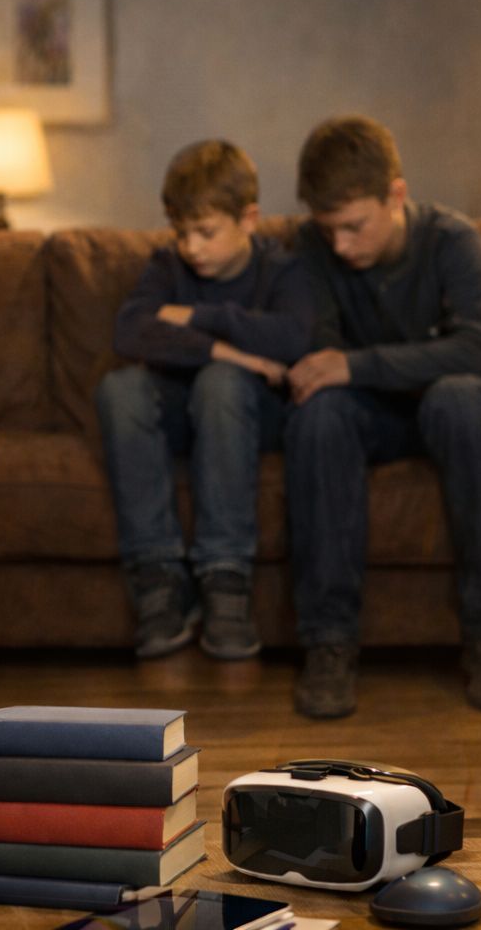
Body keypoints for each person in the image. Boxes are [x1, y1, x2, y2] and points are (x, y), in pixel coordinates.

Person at [283, 116, 481, 719]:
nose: (340, 245)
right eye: (329, 230)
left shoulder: (452, 240)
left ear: (396, 195)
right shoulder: (311, 247)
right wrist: (351, 370)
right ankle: (328, 644)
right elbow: (320, 355)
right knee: (319, 414)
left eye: (354, 226)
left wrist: (359, 365)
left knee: (456, 396)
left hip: (472, 409)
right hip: (378, 415)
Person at [95, 140, 313, 662]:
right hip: (178, 415)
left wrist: (199, 318)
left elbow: (292, 338)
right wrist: (233, 351)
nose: (191, 247)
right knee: (120, 387)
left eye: (206, 233)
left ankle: (225, 577)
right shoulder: (167, 267)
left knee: (222, 383)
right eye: (181, 232)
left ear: (249, 219)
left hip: (249, 416)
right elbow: (130, 330)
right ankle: (157, 576)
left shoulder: (282, 270)